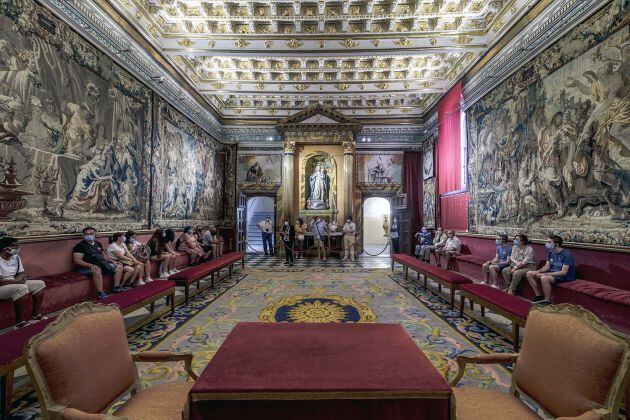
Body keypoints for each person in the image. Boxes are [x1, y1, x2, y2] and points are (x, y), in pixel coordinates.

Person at [0, 237, 47, 328]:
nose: (18, 248)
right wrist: (18, 281)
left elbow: (21, 273)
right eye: (15, 246)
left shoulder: (15, 257)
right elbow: (1, 281)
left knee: (40, 284)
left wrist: (19, 279)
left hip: (13, 282)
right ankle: (20, 323)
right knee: (22, 288)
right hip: (2, 287)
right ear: (6, 248)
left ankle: (35, 315)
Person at [72, 226, 123, 298]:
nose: (89, 235)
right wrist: (91, 265)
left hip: (101, 264)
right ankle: (100, 293)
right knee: (97, 270)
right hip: (85, 268)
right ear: (84, 236)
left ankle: (116, 287)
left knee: (119, 266)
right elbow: (77, 261)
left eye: (91, 233)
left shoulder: (97, 244)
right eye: (86, 234)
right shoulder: (80, 246)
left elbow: (104, 256)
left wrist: (113, 261)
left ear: (95, 234)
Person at [526, 235, 576, 304]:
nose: (547, 244)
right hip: (553, 273)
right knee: (529, 273)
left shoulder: (567, 254)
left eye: (549, 242)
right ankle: (539, 295)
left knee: (544, 278)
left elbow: (563, 272)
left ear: (556, 244)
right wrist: (538, 271)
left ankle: (547, 300)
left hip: (565, 276)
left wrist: (547, 274)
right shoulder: (550, 252)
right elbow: (547, 266)